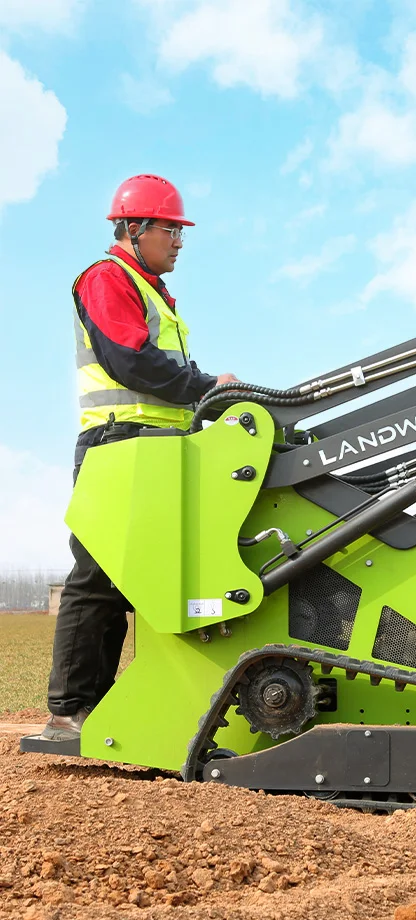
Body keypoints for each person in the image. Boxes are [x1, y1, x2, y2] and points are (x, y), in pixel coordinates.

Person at [38, 174, 238, 741]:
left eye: (179, 231)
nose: (179, 241)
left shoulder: (154, 294)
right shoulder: (107, 279)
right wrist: (206, 387)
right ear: (133, 228)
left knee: (159, 579)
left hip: (154, 451)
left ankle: (144, 706)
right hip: (118, 445)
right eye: (170, 229)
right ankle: (69, 710)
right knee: (101, 575)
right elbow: (132, 363)